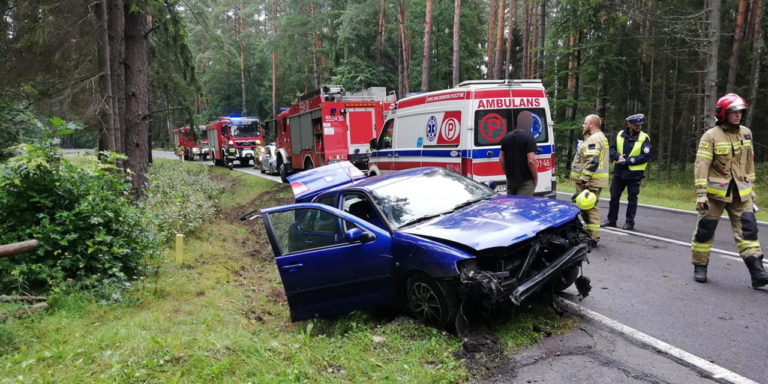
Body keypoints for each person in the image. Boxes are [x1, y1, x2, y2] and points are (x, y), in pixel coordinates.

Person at [690, 93, 768, 288]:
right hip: (714, 194)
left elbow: (749, 163)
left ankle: (757, 273)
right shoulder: (711, 136)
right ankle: (700, 265)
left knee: (748, 232)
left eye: (740, 111)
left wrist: (751, 189)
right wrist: (701, 193)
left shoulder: (746, 133)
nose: (738, 115)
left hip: (741, 193)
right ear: (723, 113)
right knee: (705, 231)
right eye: (734, 111)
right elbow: (701, 166)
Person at [602, 114, 651, 230]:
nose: (638, 127)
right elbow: (612, 148)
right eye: (635, 125)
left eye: (640, 125)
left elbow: (645, 156)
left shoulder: (644, 137)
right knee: (614, 197)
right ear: (629, 124)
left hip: (634, 174)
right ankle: (611, 220)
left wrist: (629, 161)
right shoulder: (620, 135)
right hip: (619, 172)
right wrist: (617, 157)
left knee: (632, 199)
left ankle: (629, 222)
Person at [571, 114, 609, 246]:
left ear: (591, 124)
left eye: (585, 123)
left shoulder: (594, 138)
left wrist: (585, 178)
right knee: (586, 207)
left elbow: (592, 160)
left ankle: (593, 237)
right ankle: (589, 233)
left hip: (590, 181)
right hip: (593, 180)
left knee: (591, 208)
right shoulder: (598, 137)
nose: (583, 125)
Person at [499, 111, 538, 196]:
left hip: (511, 181)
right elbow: (531, 161)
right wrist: (535, 178)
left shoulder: (506, 138)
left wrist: (508, 173)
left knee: (512, 206)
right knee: (523, 207)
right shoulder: (529, 139)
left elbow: (501, 158)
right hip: (526, 182)